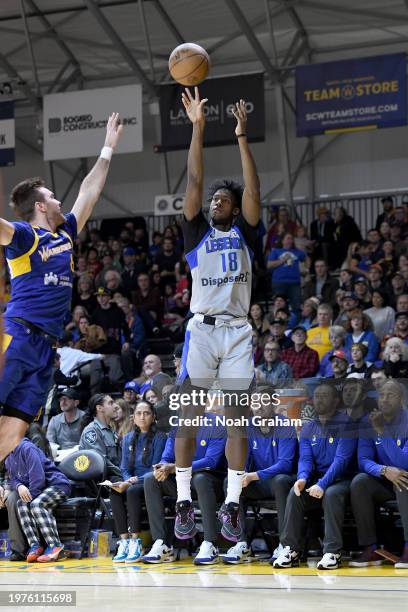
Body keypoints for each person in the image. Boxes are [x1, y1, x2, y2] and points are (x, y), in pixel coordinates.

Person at [0, 113, 123, 461]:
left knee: (15, 428)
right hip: (18, 336)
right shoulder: (25, 236)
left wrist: (107, 149)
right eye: (52, 197)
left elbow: (90, 192)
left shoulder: (65, 233)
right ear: (40, 205)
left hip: (45, 349)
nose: (59, 201)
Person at [173, 88, 260, 543]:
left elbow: (253, 190)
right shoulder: (195, 233)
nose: (214, 202)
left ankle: (231, 504)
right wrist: (198, 127)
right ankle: (184, 500)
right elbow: (192, 179)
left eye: (223, 199)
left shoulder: (246, 232)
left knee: (237, 419)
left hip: (239, 332)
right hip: (203, 332)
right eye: (213, 200)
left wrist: (242, 136)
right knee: (187, 415)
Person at [273, 384, 356, 570]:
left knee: (332, 493)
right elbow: (305, 459)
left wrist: (322, 484)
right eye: (317, 396)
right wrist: (302, 478)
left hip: (343, 479)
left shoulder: (347, 425)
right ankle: (290, 549)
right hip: (317, 479)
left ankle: (332, 551)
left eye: (325, 396)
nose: (320, 400)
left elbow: (341, 461)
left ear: (335, 401)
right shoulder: (308, 427)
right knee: (296, 492)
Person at [142, 413, 226, 565]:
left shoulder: (217, 424)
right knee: (150, 479)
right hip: (182, 483)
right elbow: (166, 457)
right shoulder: (178, 425)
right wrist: (162, 467)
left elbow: (211, 461)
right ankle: (161, 543)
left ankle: (210, 543)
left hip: (211, 481)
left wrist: (177, 467)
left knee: (200, 479)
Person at [223, 396, 297, 564]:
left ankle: (285, 545)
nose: (258, 406)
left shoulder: (284, 425)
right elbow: (241, 462)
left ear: (274, 404)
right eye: (255, 402)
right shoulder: (248, 427)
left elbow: (285, 464)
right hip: (258, 482)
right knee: (231, 481)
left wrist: (253, 476)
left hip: (283, 481)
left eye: (264, 401)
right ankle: (241, 543)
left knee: (280, 481)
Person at [350, 380, 408, 569]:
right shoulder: (369, 421)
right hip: (384, 481)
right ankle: (371, 548)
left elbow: (403, 463)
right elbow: (363, 460)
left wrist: (382, 431)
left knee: (403, 479)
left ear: (401, 399)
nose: (384, 399)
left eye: (390, 395)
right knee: (359, 482)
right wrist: (383, 470)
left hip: (404, 479)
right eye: (381, 395)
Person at [111, 400, 167, 563]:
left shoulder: (160, 437)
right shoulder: (127, 438)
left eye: (146, 413)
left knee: (132, 491)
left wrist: (132, 482)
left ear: (153, 416)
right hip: (131, 481)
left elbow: (156, 467)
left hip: (151, 482)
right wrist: (128, 479)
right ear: (133, 417)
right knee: (114, 491)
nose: (142, 417)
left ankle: (136, 541)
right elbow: (123, 467)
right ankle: (124, 541)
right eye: (138, 413)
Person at [5, 437, 71, 562]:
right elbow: (12, 479)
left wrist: (30, 497)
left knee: (36, 505)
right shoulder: (9, 455)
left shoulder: (27, 448)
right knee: (21, 504)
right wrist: (19, 486)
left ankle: (55, 546)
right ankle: (35, 545)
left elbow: (38, 478)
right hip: (41, 490)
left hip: (57, 485)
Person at [79, 394, 122, 482]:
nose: (115, 406)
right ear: (99, 408)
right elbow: (101, 461)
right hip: (101, 480)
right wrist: (122, 473)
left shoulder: (110, 430)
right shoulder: (91, 431)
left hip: (114, 475)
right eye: (111, 403)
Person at [267, 233, 306, 319]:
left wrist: (306, 270)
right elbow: (269, 265)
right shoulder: (276, 251)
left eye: (291, 238)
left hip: (295, 283)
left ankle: (295, 326)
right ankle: (278, 323)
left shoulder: (298, 252)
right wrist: (282, 260)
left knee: (296, 306)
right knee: (279, 306)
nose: (290, 240)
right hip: (279, 282)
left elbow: (306, 258)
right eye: (288, 238)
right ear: (282, 240)